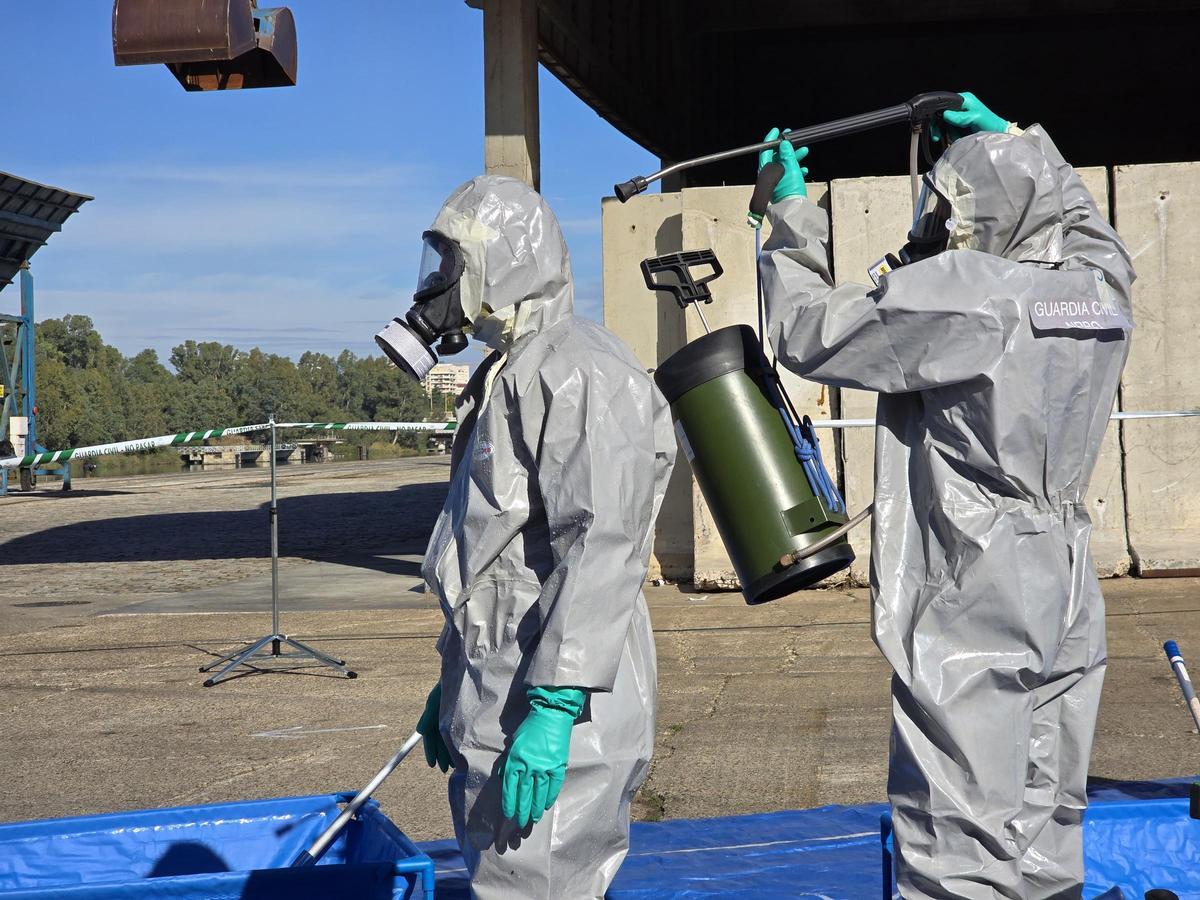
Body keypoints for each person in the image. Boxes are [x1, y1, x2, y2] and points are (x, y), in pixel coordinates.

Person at [756, 93, 1135, 898]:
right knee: (1045, 816)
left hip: (977, 578)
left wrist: (788, 215)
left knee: (957, 829)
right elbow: (1095, 234)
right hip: (1065, 573)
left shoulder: (970, 292)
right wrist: (1019, 142)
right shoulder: (1098, 290)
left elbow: (807, 332)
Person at [411, 175, 676, 899]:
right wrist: (452, 677)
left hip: (556, 700)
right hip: (501, 686)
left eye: (454, 262)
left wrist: (557, 709)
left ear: (507, 261)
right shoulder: (511, 371)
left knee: (544, 882)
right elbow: (487, 553)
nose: (440, 282)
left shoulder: (579, 368)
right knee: (510, 881)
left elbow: (603, 540)